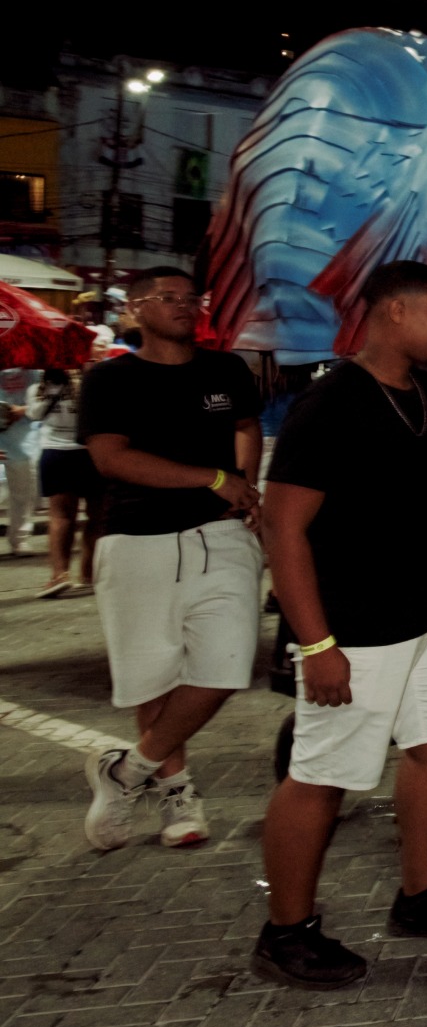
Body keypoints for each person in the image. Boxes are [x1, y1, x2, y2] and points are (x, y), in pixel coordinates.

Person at [253, 260, 427, 989]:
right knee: (321, 776)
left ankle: (423, 896)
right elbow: (282, 528)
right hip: (355, 627)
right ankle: (286, 933)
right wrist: (317, 644)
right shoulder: (330, 405)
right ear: (394, 313)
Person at [79, 267, 264, 852]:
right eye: (168, 298)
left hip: (220, 536)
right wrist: (213, 478)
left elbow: (245, 424)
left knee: (227, 666)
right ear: (134, 308)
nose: (184, 306)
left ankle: (127, 771)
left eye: (192, 298)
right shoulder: (110, 379)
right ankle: (177, 792)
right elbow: (111, 458)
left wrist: (244, 485)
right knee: (153, 675)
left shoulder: (225, 369)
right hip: (135, 538)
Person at [29, 367, 100, 597]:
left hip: (72, 453)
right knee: (78, 516)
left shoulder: (41, 388)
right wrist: (56, 391)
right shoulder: (86, 383)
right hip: (71, 452)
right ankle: (67, 575)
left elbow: (34, 414)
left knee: (79, 516)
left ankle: (74, 574)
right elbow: (35, 415)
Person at [0, 366, 40, 554]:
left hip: (23, 440)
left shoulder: (34, 371)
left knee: (23, 492)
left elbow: (43, 403)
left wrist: (23, 410)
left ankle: (19, 539)